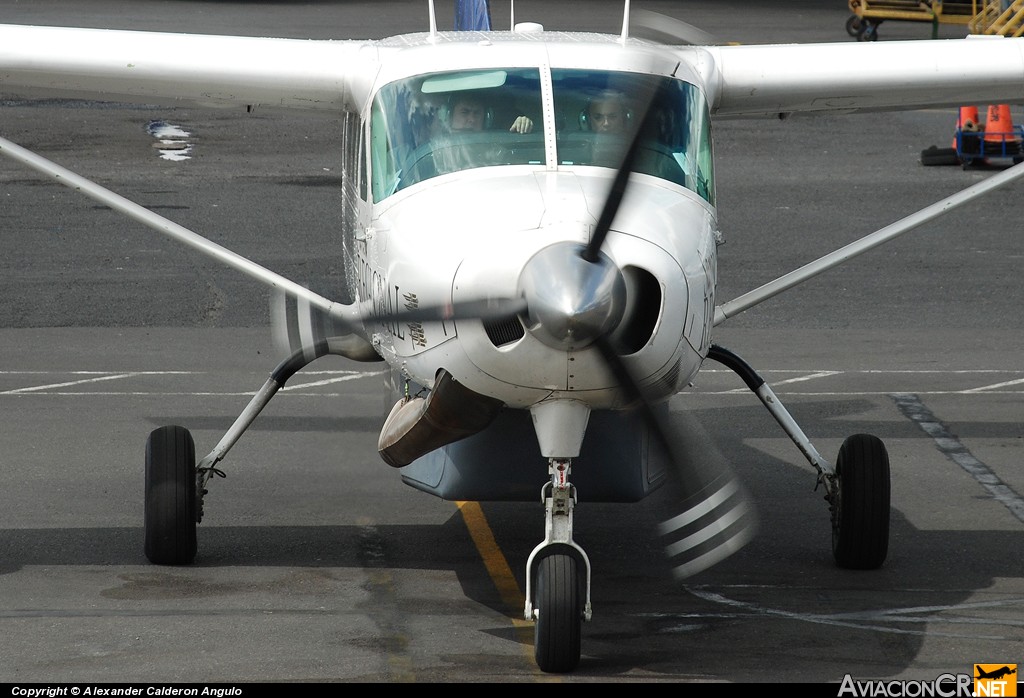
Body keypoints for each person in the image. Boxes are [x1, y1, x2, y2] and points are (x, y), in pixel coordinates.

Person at [448, 93, 533, 134]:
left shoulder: (494, 150)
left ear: (487, 118)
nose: (472, 119)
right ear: (449, 116)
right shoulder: (439, 146)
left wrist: (522, 124)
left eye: (477, 113)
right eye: (464, 112)